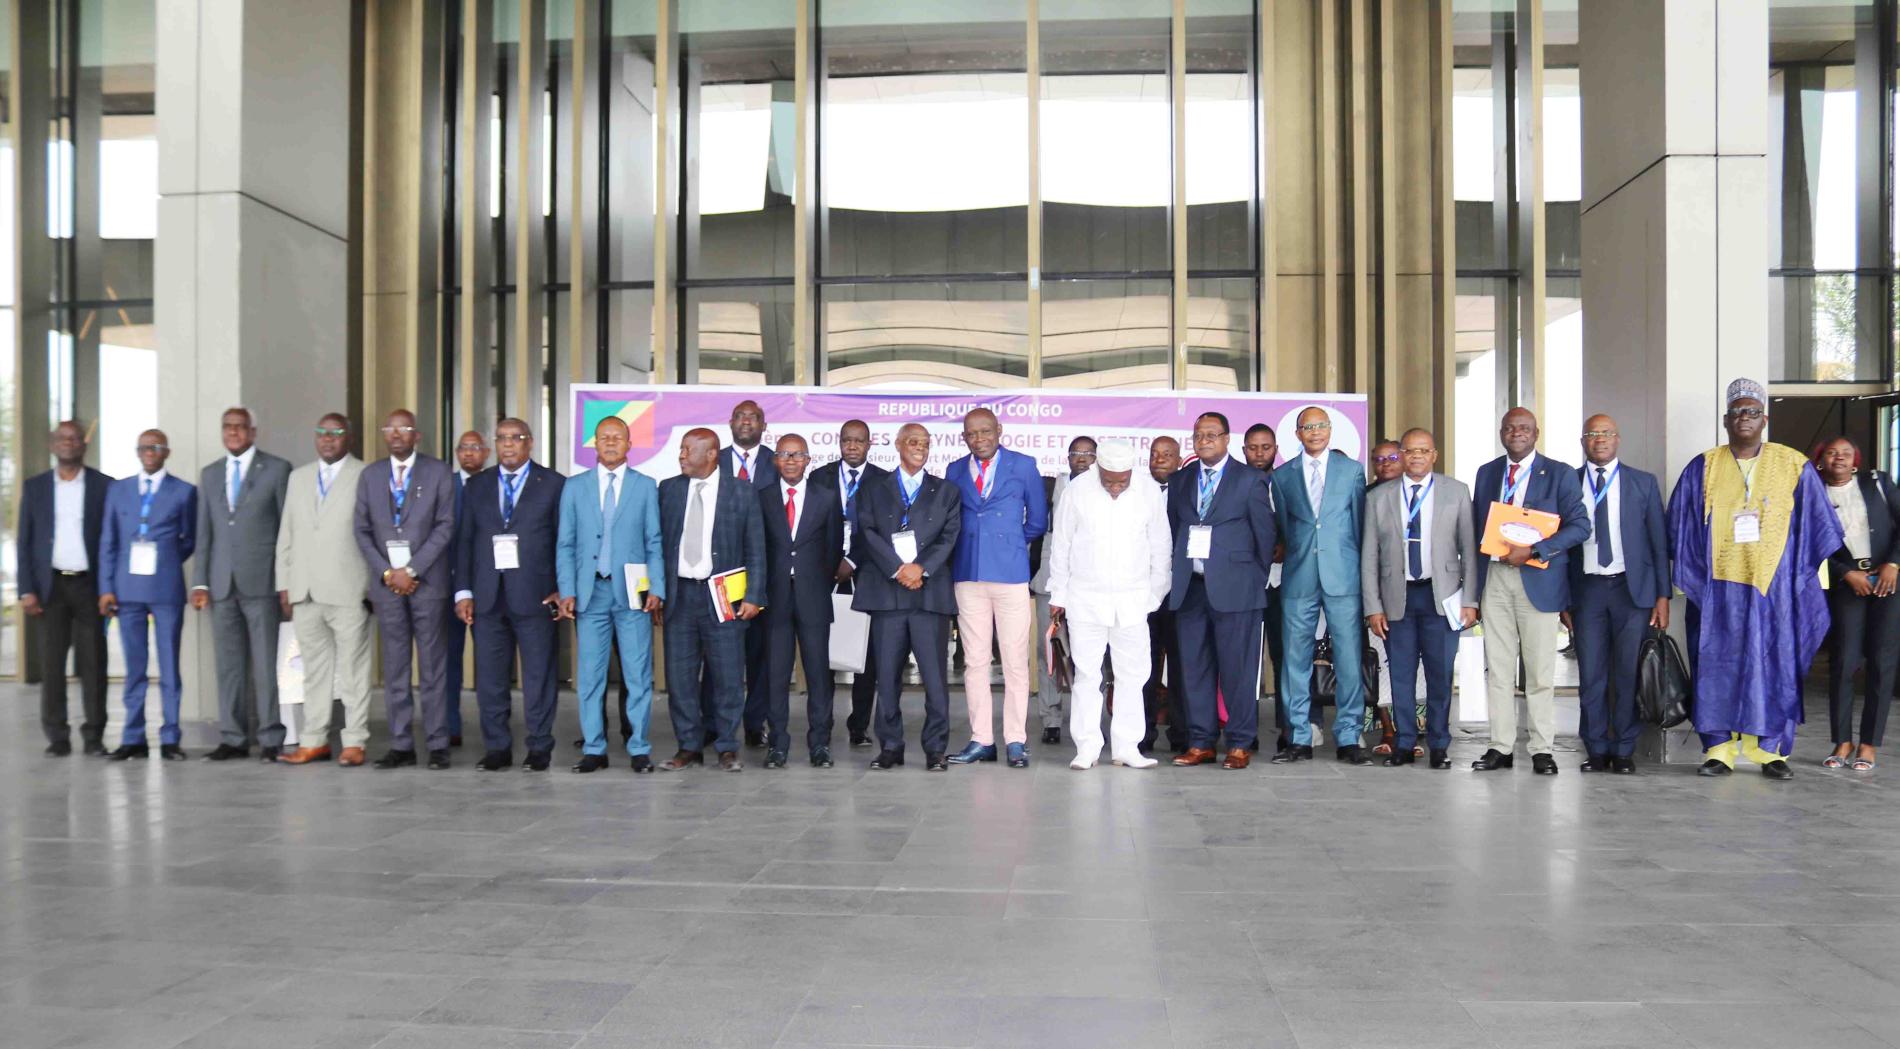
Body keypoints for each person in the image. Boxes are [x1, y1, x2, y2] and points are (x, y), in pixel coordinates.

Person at [1669, 380, 1840, 779]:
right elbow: (1681, 526)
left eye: (1752, 411)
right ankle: (1719, 749)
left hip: (1774, 588)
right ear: (1726, 420)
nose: (1744, 418)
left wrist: (1806, 583)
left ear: (1765, 418)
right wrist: (1691, 582)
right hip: (1720, 587)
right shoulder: (1704, 466)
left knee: (1774, 661)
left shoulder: (1792, 464)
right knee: (1717, 662)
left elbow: (1817, 526)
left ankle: (1769, 751)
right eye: (1737, 412)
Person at [1470, 407, 1591, 774]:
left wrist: (1536, 551)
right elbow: (1478, 525)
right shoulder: (1488, 473)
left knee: (1539, 672)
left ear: (1536, 433)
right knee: (1499, 670)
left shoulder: (1559, 473)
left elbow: (1580, 526)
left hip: (1538, 579)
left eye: (1524, 428)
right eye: (1510, 428)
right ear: (1501, 433)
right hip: (1495, 579)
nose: (1516, 433)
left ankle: (1542, 749)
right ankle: (1500, 747)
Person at [1048, 441, 1170, 770]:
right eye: (1109, 481)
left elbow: (1161, 545)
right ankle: (1087, 746)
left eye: (1122, 481)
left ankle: (1127, 747)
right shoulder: (1078, 490)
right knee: (1087, 674)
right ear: (1098, 469)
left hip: (1133, 600)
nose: (1116, 487)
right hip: (1085, 599)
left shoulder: (1147, 491)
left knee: (1134, 675)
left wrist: (1154, 594)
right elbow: (1062, 544)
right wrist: (1058, 594)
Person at [1361, 428, 1477, 770]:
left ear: (1434, 455)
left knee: (1440, 674)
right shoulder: (1379, 497)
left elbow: (1469, 550)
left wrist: (1470, 600)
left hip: (1441, 597)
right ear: (1400, 455)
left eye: (1423, 451)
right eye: (1408, 451)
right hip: (1398, 598)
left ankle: (1440, 744)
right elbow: (1369, 556)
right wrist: (1372, 607)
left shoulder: (1456, 492)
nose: (1415, 457)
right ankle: (1404, 742)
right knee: (1400, 675)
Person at [1561, 414, 1670, 774]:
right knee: (1591, 674)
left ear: (1618, 439)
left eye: (1606, 433)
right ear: (1583, 442)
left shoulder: (1642, 483)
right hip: (1587, 590)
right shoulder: (1569, 483)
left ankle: (1623, 748)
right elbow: (1560, 548)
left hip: (1631, 590)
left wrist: (1662, 597)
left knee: (1627, 672)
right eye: (1592, 434)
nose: (1599, 440)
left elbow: (1658, 542)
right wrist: (1564, 600)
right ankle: (1595, 748)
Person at [455, 418, 566, 772]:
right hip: (487, 596)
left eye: (515, 438)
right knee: (490, 678)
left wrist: (562, 587)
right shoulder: (477, 485)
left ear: (529, 443)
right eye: (501, 439)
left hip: (535, 595)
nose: (507, 445)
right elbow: (465, 540)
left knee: (538, 677)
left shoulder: (553, 484)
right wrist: (463, 591)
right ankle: (497, 748)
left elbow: (565, 540)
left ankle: (539, 747)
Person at [1167, 412, 1276, 769]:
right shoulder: (1182, 479)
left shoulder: (1249, 479)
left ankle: (1240, 742)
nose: (1204, 440)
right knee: (1194, 670)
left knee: (1238, 670)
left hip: (1238, 590)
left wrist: (1251, 577)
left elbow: (1265, 535)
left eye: (1212, 434)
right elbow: (1172, 531)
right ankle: (1201, 742)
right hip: (1191, 589)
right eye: (1199, 435)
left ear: (1228, 439)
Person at [557, 415, 665, 773]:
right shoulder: (575, 487)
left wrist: (657, 589)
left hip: (632, 596)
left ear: (629, 444)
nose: (610, 443)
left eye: (617, 437)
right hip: (591, 594)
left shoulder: (646, 486)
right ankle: (594, 748)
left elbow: (654, 542)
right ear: (595, 444)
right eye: (604, 437)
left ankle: (638, 747)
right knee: (590, 676)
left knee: (637, 675)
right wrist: (568, 590)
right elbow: (566, 544)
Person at [853, 423, 962, 771]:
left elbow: (948, 537)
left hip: (928, 595)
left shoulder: (946, 490)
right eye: (913, 442)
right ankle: (890, 747)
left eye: (926, 443)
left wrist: (921, 569)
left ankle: (935, 749)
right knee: (886, 677)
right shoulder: (873, 488)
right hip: (888, 593)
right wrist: (899, 569)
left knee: (934, 679)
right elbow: (866, 531)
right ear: (898, 445)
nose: (920, 447)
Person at [354, 408, 458, 770]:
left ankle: (437, 743)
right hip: (387, 588)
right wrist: (387, 573)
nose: (397, 435)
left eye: (405, 429)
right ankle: (401, 744)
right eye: (391, 429)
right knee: (395, 668)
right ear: (385, 435)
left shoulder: (439, 472)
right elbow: (362, 531)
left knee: (433, 668)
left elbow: (445, 527)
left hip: (427, 584)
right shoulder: (370, 476)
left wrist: (411, 569)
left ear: (417, 435)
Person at [658, 428, 767, 772]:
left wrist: (753, 596)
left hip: (723, 597)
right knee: (680, 677)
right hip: (680, 595)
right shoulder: (669, 490)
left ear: (711, 454)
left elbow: (756, 548)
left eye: (688, 450)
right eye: (680, 449)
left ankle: (726, 746)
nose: (681, 455)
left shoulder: (741, 492)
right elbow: (657, 544)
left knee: (728, 675)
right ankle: (688, 745)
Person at [946, 407, 1049, 768]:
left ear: (999, 430)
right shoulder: (955, 470)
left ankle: (1016, 741)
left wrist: (1007, 544)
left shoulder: (1023, 465)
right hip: (968, 574)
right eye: (972, 434)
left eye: (986, 432)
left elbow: (1037, 519)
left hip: (1010, 574)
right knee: (974, 661)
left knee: (1015, 661)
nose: (979, 439)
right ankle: (981, 739)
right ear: (964, 437)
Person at [191, 407, 293, 762]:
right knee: (228, 666)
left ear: (253, 431)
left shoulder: (278, 470)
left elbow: (286, 532)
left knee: (266, 665)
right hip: (221, 585)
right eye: (227, 427)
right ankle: (233, 738)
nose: (233, 432)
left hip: (262, 583)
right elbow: (204, 534)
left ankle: (270, 737)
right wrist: (200, 582)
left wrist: (287, 583)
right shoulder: (210, 474)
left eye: (239, 427)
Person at [1270, 406, 1371, 765]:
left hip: (1343, 575)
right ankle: (1299, 736)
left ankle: (1348, 736)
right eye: (1307, 427)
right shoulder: (1282, 476)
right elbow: (1287, 525)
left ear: (1330, 430)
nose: (1314, 432)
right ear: (1297, 434)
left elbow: (1360, 527)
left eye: (1320, 426)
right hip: (1299, 576)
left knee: (1348, 658)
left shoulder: (1352, 470)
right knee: (1294, 658)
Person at [277, 414, 374, 766]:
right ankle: (314, 739)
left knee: (353, 671)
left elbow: (373, 533)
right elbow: (286, 534)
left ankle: (355, 740)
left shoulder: (365, 475)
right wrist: (284, 584)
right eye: (322, 433)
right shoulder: (298, 478)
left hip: (348, 589)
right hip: (305, 591)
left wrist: (371, 586)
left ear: (348, 436)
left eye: (335, 432)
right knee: (313, 671)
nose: (328, 439)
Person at [98, 430, 196, 760]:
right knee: (134, 666)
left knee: (169, 664)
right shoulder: (118, 489)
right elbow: (108, 542)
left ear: (166, 451)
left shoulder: (184, 492)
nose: (149, 452)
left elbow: (189, 540)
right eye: (143, 448)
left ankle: (170, 738)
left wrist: (165, 560)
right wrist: (106, 587)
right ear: (137, 452)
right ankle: (133, 737)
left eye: (155, 447)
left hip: (166, 586)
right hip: (126, 590)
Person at [19, 421, 112, 756]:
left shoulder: (104, 486)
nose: (68, 443)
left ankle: (94, 736)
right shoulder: (35, 488)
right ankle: (57, 737)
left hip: (90, 586)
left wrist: (109, 588)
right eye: (62, 439)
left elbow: (111, 541)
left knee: (94, 664)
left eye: (74, 438)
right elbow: (25, 541)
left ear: (83, 445)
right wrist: (26, 589)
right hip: (51, 587)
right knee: (52, 665)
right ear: (52, 445)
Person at [757, 433, 846, 768]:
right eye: (784, 454)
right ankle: (777, 744)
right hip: (775, 598)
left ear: (808, 460)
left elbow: (834, 545)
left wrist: (816, 580)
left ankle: (820, 743)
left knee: (819, 674)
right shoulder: (763, 497)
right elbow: (758, 546)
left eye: (798, 455)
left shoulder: (826, 497)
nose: (791, 461)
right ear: (775, 460)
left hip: (813, 597)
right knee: (776, 675)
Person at [1813, 437, 1900, 772]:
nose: (1839, 457)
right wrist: (1844, 573)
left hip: (1887, 584)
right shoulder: (1813, 494)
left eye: (1846, 453)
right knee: (1844, 663)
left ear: (1856, 462)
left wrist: (1893, 563)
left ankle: (1868, 745)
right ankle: (1842, 742)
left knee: (1882, 662)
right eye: (1832, 452)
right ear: (1821, 461)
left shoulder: (1879, 484)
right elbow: (1811, 547)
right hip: (1848, 585)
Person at [809, 419, 891, 748]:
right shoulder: (819, 477)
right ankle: (822, 723)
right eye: (847, 440)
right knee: (823, 652)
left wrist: (853, 560)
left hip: (867, 573)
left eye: (859, 441)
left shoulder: (884, 481)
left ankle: (859, 726)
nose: (852, 446)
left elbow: (882, 530)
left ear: (869, 444)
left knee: (865, 655)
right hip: (824, 574)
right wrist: (830, 563)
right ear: (839, 442)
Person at [1031, 435, 1096, 746]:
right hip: (1051, 575)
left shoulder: (1106, 486)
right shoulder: (1050, 486)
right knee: (1049, 650)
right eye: (1076, 453)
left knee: (1094, 652)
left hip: (1094, 579)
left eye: (1088, 453)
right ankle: (1051, 717)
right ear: (1067, 457)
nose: (1081, 458)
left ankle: (1092, 718)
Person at [721, 400, 778, 749]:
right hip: (721, 574)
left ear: (763, 424)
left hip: (766, 573)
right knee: (719, 652)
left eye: (753, 417)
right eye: (740, 416)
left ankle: (755, 721)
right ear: (730, 422)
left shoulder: (777, 461)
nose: (746, 422)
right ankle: (715, 722)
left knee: (760, 654)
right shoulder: (713, 460)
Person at [1244, 423, 1289, 752]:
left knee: (1285, 656)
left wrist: (1286, 543)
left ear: (1276, 449)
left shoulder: (1287, 481)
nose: (1260, 453)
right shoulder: (1234, 482)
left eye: (1266, 447)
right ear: (1244, 449)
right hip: (1244, 582)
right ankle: (1245, 732)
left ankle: (1289, 729)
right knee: (1244, 660)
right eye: (1253, 447)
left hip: (1282, 581)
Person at [1142, 435, 1188, 754]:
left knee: (1183, 665)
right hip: (1143, 592)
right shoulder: (1138, 492)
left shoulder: (1188, 491)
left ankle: (1181, 733)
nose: (1159, 460)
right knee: (1143, 666)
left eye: (1167, 454)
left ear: (1179, 458)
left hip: (1182, 592)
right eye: (1155, 454)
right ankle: (1141, 733)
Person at [446, 430, 490, 747]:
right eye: (464, 448)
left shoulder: (493, 485)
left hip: (487, 587)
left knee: (489, 662)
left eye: (475, 448)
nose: (469, 453)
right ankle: (450, 725)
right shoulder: (443, 485)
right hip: (446, 586)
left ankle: (495, 726)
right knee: (448, 661)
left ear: (486, 452)